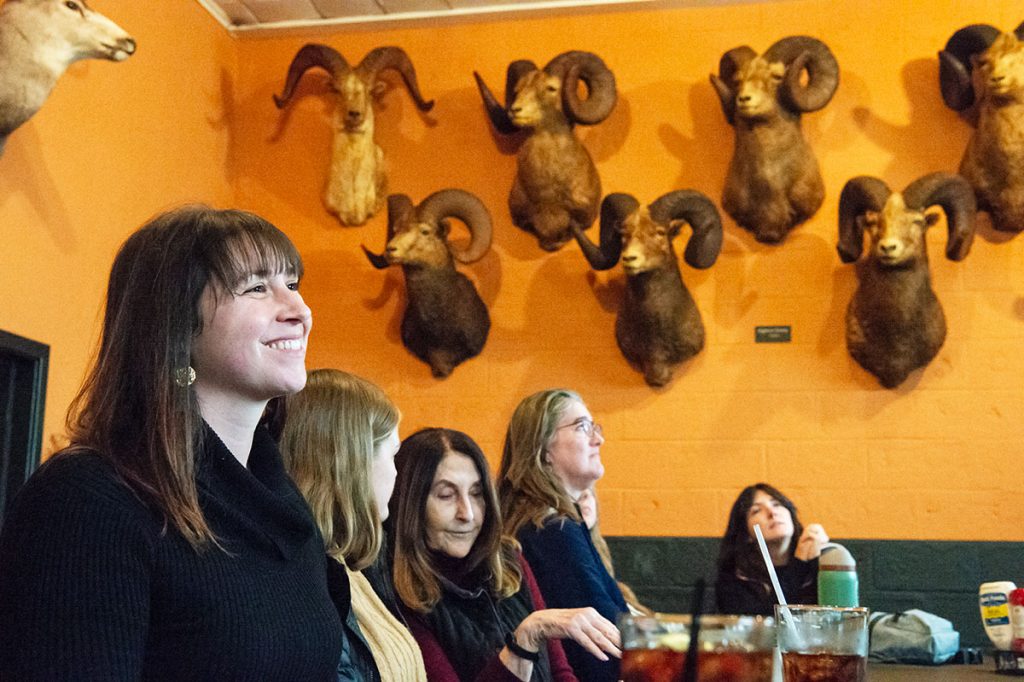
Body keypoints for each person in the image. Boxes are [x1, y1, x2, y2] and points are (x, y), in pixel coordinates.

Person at [0, 207, 343, 679]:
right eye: (258, 287)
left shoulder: (286, 509)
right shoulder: (89, 500)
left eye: (293, 284)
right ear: (177, 325)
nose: (298, 311)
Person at [388, 427, 620, 682]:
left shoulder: (509, 561)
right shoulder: (399, 591)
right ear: (410, 504)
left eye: (477, 493)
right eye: (446, 495)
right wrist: (525, 639)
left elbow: (561, 673)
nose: (468, 513)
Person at [279, 368, 427, 682]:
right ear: (353, 462)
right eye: (392, 455)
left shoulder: (348, 566)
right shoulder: (308, 579)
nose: (397, 474)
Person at [498, 389, 627, 682]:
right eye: (582, 427)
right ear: (543, 448)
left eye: (595, 427)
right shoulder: (551, 530)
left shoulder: (552, 523)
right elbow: (607, 638)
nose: (598, 439)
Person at [715, 483, 830, 616]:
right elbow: (761, 626)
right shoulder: (733, 578)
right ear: (746, 534)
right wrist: (799, 564)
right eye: (756, 511)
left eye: (776, 504)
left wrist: (828, 557)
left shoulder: (819, 561)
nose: (772, 512)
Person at [576, 487, 653, 617]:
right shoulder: (569, 549)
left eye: (585, 497)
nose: (582, 504)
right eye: (574, 499)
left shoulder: (598, 548)